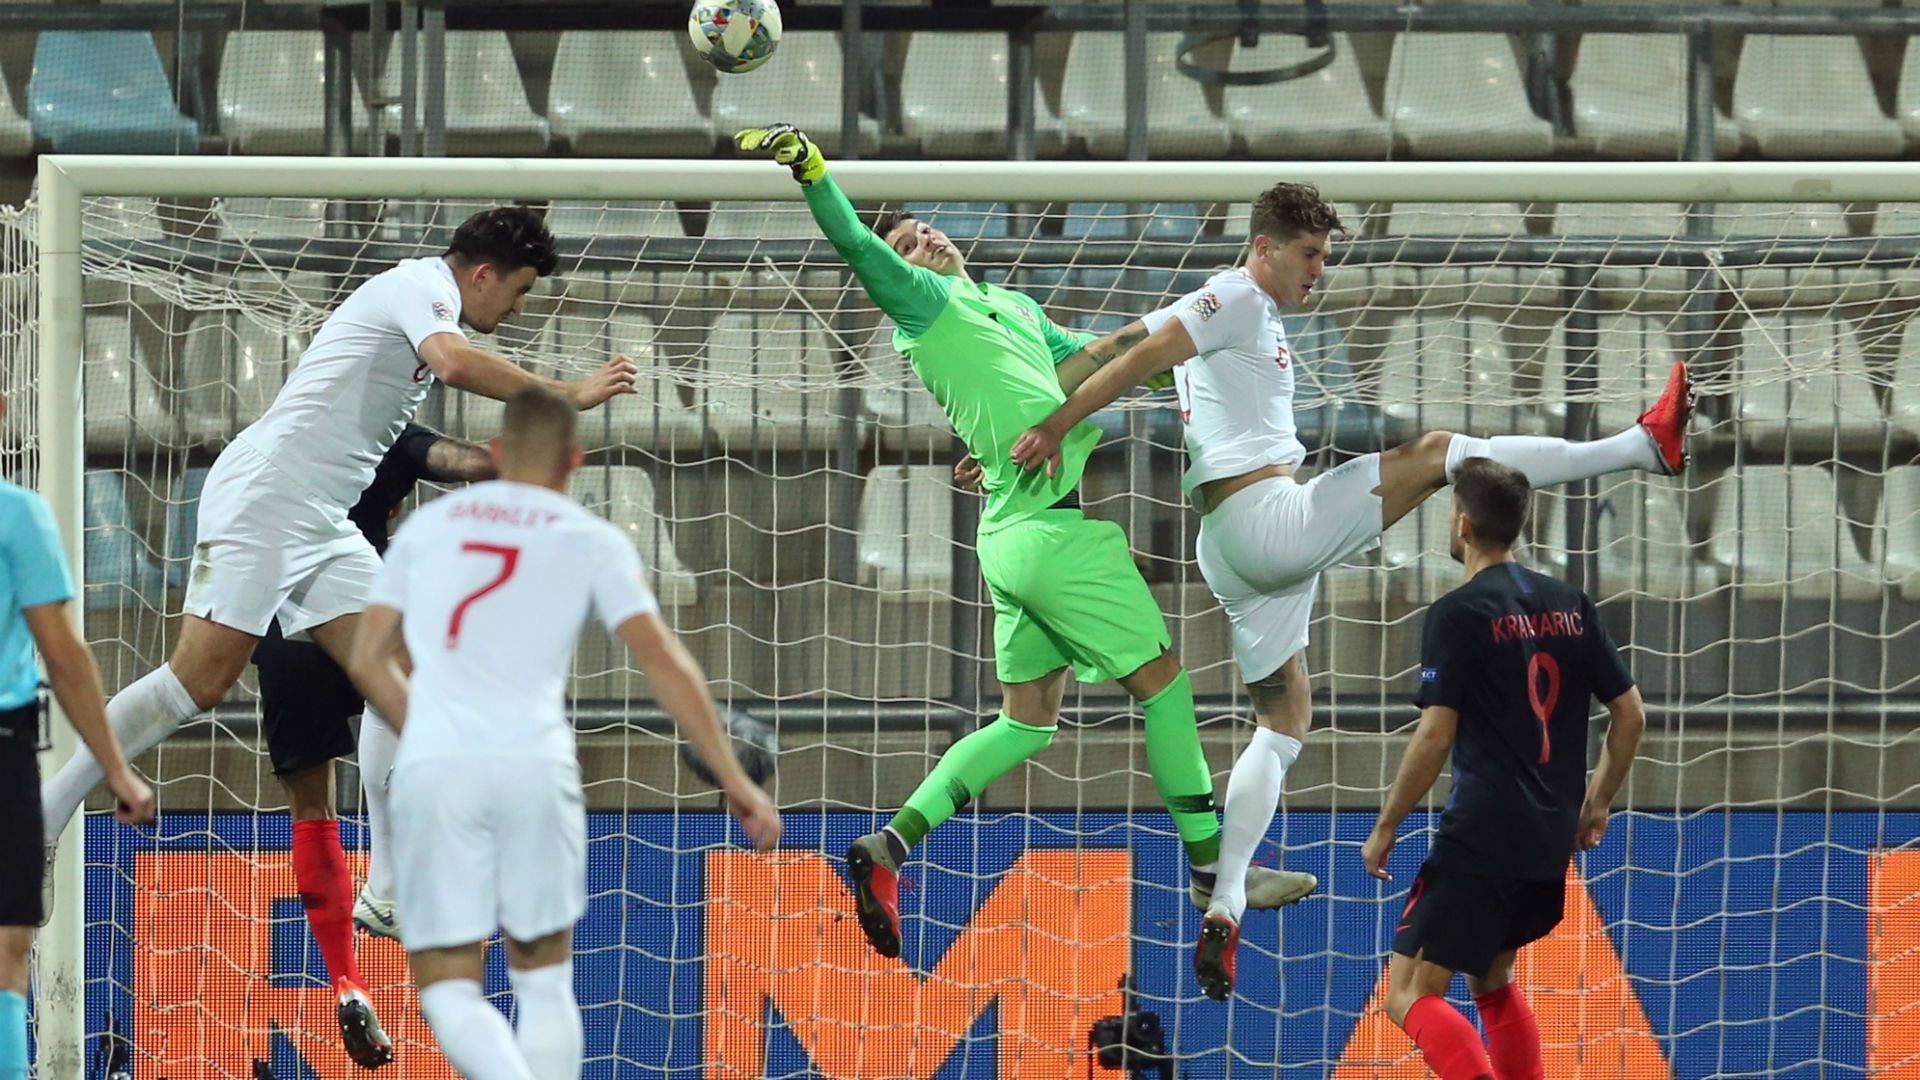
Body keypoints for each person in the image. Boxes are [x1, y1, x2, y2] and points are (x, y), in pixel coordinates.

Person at [1008, 181, 1690, 999]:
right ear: (1264, 248)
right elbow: (1136, 361)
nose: (1319, 271)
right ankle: (1641, 448)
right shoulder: (1234, 295)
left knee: (1283, 719)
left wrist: (1015, 415)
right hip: (1269, 519)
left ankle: (1224, 903)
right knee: (1442, 453)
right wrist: (1051, 425)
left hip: (1234, 548)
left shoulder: (1217, 303)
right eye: (1309, 255)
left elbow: (1114, 339)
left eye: (1325, 257)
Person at [37, 206, 636, 1068]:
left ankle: (389, 889)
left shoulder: (426, 307)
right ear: (481, 275)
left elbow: (444, 422)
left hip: (317, 523)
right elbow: (455, 358)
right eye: (521, 291)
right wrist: (560, 395)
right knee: (195, 686)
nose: (517, 309)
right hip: (266, 497)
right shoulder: (416, 288)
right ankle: (44, 815)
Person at [734, 122, 1316, 960]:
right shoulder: (923, 304)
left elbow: (1095, 360)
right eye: (909, 243)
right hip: (1052, 530)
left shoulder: (1008, 305)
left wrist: (1188, 344)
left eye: (925, 228)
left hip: (1011, 531)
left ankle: (888, 848)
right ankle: (1206, 870)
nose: (923, 240)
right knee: (1166, 689)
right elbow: (860, 249)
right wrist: (815, 176)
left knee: (1029, 723)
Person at [348, 387, 782, 1080]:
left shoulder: (426, 533)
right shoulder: (590, 539)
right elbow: (665, 661)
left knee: (450, 987)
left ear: (493, 454)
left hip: (439, 769)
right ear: (574, 461)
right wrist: (736, 781)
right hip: (535, 764)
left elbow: (369, 659)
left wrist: (433, 731)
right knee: (544, 980)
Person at [1359, 458, 1645, 1080]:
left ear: (1461, 524)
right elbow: (1630, 714)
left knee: (1408, 995)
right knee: (1490, 976)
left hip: (1484, 831)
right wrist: (1595, 803)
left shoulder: (1458, 614)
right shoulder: (1571, 603)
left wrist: (1385, 826)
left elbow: (1436, 735)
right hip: (1548, 835)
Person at [250, 423, 496, 1067]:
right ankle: (390, 884)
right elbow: (459, 461)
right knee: (418, 688)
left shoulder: (276, 435)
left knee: (312, 808)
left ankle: (346, 980)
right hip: (357, 606)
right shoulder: (393, 430)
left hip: (279, 620)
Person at [0, 391, 156, 1080]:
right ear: (4, 408)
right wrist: (117, 769)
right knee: (7, 949)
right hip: (3, 748)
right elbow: (63, 654)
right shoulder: (18, 515)